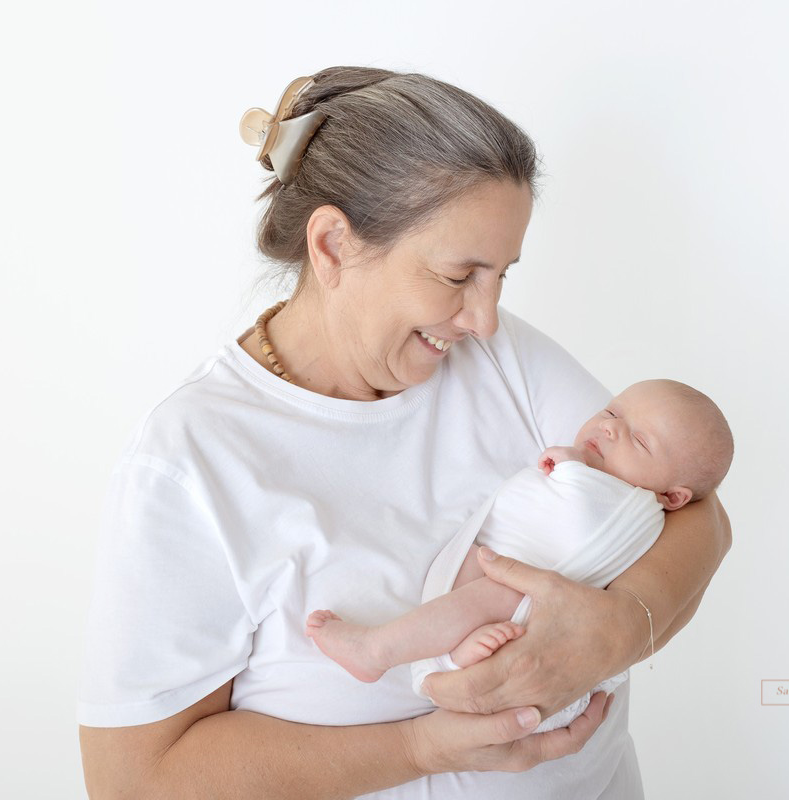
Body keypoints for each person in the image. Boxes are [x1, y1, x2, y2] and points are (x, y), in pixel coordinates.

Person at [77, 67, 732, 800]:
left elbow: (695, 507)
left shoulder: (497, 353)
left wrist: (617, 628)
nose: (485, 318)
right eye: (460, 276)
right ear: (331, 247)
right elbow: (135, 781)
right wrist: (421, 747)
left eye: (502, 277)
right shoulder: (191, 463)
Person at [304, 379, 734, 735]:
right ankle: (457, 654)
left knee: (494, 591)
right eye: (610, 412)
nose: (609, 430)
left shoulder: (629, 502)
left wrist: (570, 465)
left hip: (542, 624)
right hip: (517, 645)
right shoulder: (630, 474)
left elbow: (707, 521)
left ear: (670, 496)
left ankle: (377, 650)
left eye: (638, 440)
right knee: (477, 568)